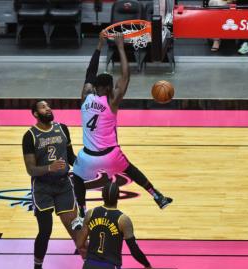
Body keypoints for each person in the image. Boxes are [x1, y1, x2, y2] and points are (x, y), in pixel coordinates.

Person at [72, 32, 173, 218]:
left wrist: (99, 46)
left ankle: (81, 213)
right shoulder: (112, 102)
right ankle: (157, 196)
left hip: (88, 156)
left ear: (95, 87)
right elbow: (126, 76)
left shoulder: (85, 96)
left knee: (77, 177)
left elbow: (90, 72)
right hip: (110, 155)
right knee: (131, 170)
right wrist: (120, 47)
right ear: (110, 88)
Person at [22, 100, 85, 269]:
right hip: (42, 188)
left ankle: (93, 267)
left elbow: (71, 157)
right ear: (35, 114)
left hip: (63, 185)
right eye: (42, 107)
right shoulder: (30, 136)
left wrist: (87, 165)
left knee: (77, 230)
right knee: (45, 230)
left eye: (48, 106)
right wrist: (49, 167)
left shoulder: (62, 129)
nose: (48, 109)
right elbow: (30, 169)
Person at [76, 181, 154, 269]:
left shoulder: (90, 213)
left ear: (102, 195)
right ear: (118, 197)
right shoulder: (123, 220)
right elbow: (134, 250)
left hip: (89, 267)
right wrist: (147, 264)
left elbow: (80, 243)